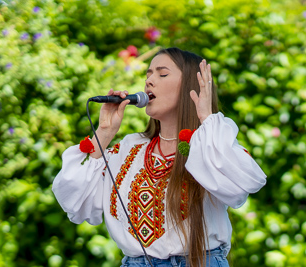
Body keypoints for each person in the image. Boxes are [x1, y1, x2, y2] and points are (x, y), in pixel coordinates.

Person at [52, 47, 267, 267]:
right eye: (148, 74)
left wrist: (206, 118)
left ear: (190, 88)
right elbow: (73, 199)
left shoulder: (208, 144)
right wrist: (105, 131)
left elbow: (242, 186)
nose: (149, 81)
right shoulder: (129, 149)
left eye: (162, 74)